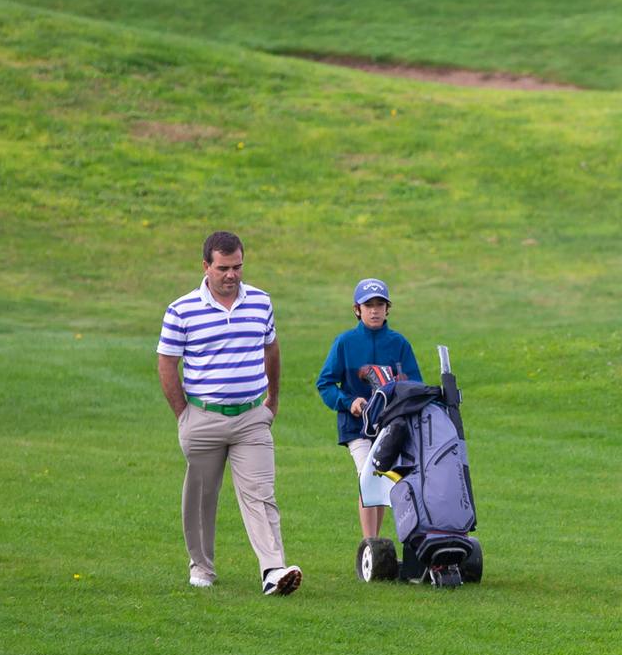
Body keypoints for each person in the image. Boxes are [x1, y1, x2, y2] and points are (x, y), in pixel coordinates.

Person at [156, 231, 300, 596]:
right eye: (223, 268)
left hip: (251, 416)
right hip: (202, 417)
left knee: (261, 494)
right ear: (206, 266)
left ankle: (273, 571)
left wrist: (273, 398)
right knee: (202, 496)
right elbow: (167, 364)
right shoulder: (181, 310)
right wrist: (183, 414)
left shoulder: (261, 302)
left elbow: (272, 350)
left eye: (237, 267)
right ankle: (201, 567)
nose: (231, 275)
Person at [316, 278, 422, 565]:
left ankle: (376, 543)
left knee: (385, 478)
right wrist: (348, 402)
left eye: (380, 305)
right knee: (368, 474)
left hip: (391, 427)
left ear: (388, 309)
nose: (374, 311)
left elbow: (415, 385)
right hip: (357, 428)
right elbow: (325, 384)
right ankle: (370, 544)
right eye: (368, 305)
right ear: (357, 310)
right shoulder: (345, 343)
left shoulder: (399, 344)